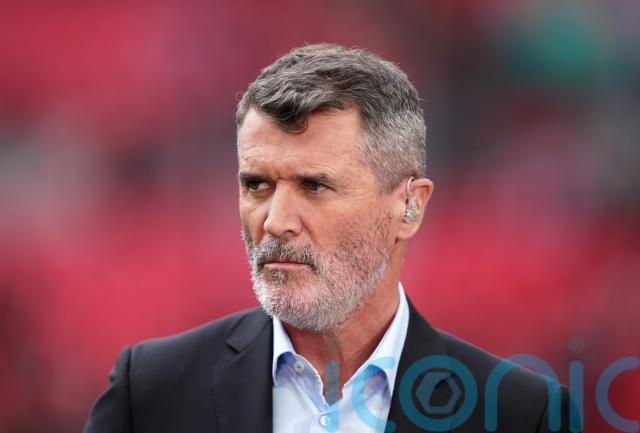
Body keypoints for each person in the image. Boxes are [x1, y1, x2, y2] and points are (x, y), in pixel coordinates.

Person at [84, 44, 577, 433]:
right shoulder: (150, 391)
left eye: (314, 187)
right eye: (256, 185)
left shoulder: (519, 414)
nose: (276, 222)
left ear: (409, 206)